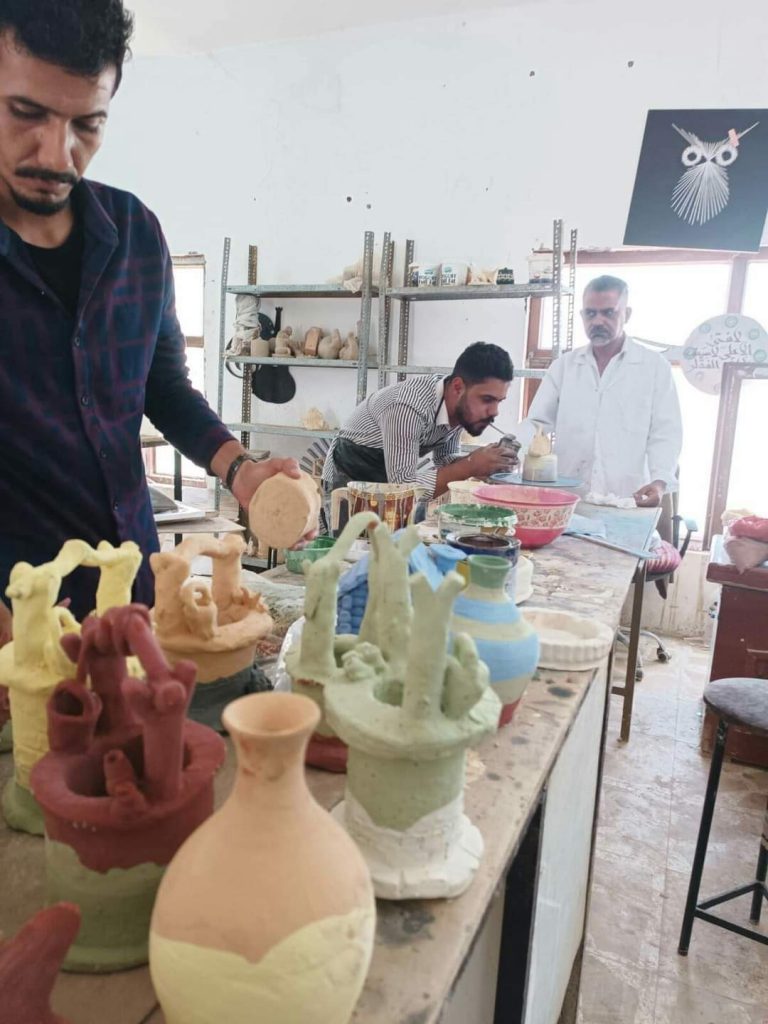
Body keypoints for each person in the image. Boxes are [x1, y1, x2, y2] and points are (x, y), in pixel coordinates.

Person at [0, 0, 307, 630]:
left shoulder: (135, 234)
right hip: (20, 609)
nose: (57, 153)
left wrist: (239, 469)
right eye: (26, 113)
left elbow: (163, 389)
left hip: (134, 586)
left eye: (87, 124)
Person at [516, 275, 682, 505]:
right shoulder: (565, 366)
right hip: (570, 498)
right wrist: (510, 449)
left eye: (608, 313)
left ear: (627, 314)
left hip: (629, 498)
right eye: (591, 313)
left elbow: (666, 432)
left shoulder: (653, 367)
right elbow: (537, 424)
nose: (598, 321)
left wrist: (660, 481)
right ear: (582, 315)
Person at [322, 342, 518, 501]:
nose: (495, 412)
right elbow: (403, 489)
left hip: (386, 479)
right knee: (351, 538)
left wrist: (484, 462)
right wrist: (471, 464)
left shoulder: (458, 406)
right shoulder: (406, 407)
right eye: (487, 399)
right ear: (458, 387)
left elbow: (445, 460)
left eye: (499, 401)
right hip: (349, 472)